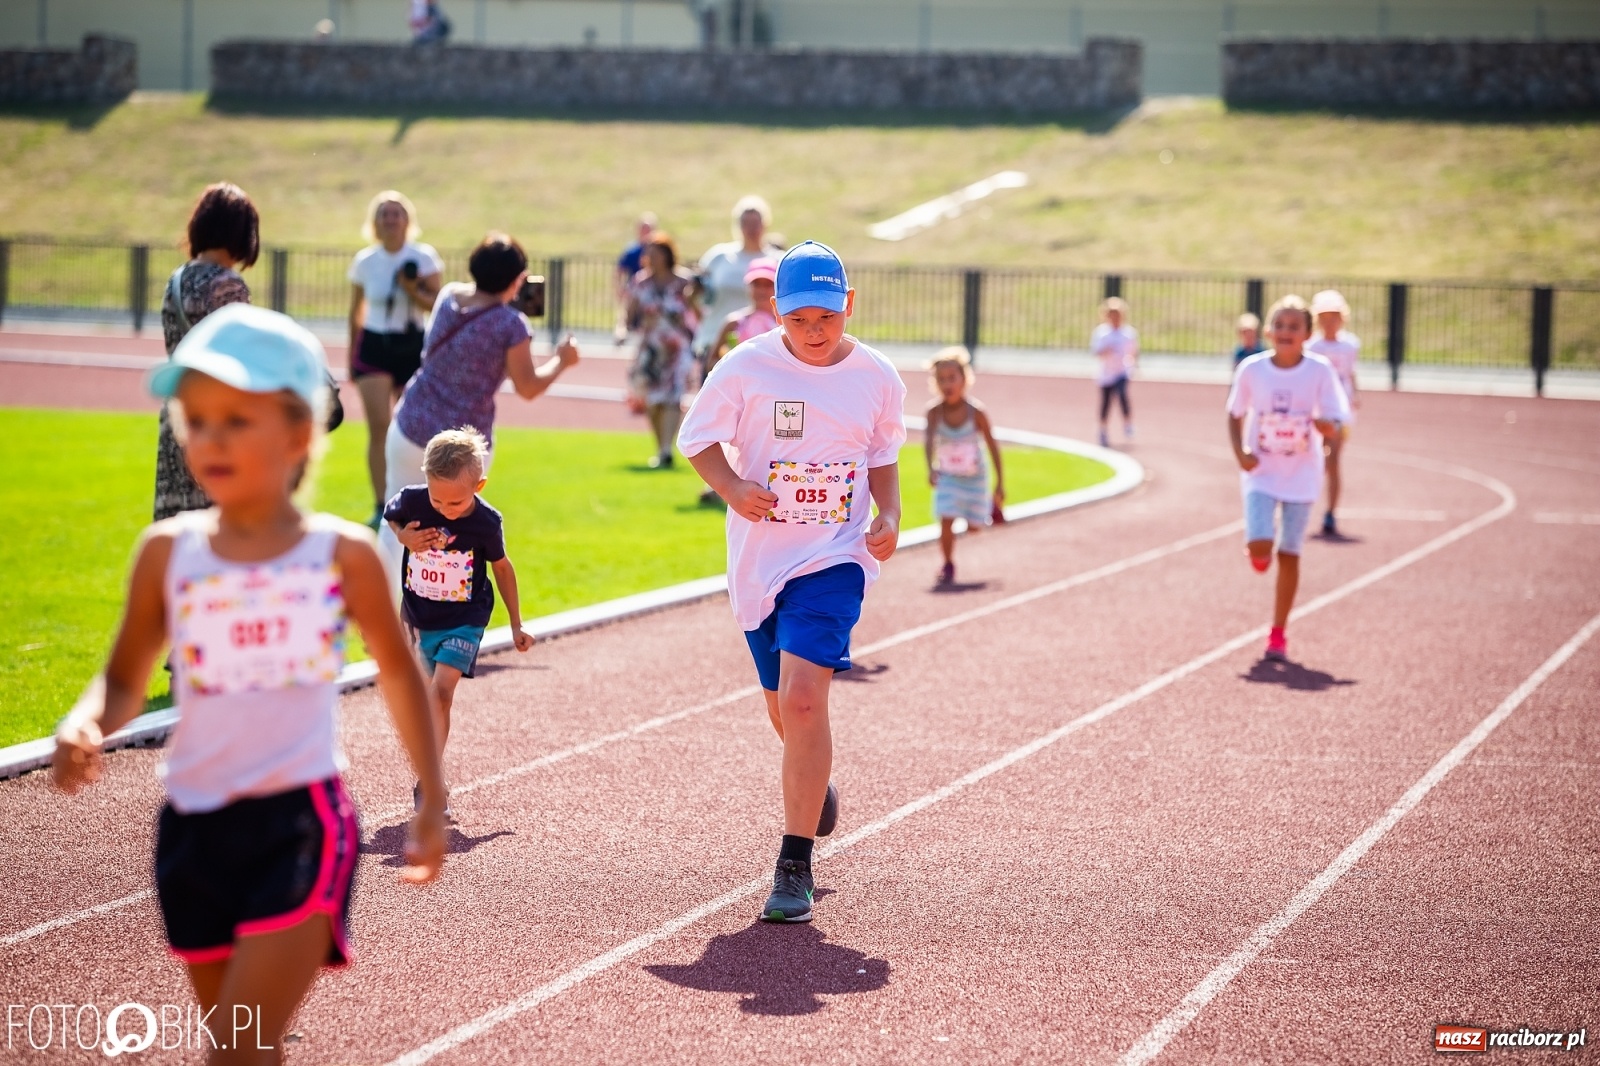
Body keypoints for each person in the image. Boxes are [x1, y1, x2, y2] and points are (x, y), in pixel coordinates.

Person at [52, 304, 448, 1064]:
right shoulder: (167, 552)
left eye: (237, 418)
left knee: (235, 1045)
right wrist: (85, 720)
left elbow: (399, 674)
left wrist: (431, 796)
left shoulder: (340, 554)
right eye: (195, 420)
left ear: (299, 433)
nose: (210, 439)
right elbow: (125, 677)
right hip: (192, 830)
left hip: (299, 824)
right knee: (242, 1049)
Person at [678, 240, 906, 924]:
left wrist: (889, 513)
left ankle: (793, 862)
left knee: (806, 701)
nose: (815, 329)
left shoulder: (877, 377)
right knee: (783, 709)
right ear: (775, 310)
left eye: (827, 317)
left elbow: (883, 456)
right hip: (760, 564)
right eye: (801, 316)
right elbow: (697, 439)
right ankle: (815, 781)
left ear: (850, 308)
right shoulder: (745, 367)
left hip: (833, 558)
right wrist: (732, 486)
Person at [379, 232, 580, 574]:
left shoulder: (449, 295)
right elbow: (528, 387)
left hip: (409, 424)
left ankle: (382, 615)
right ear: (517, 279)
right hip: (462, 445)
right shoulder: (510, 324)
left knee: (394, 520)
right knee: (452, 530)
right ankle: (436, 616)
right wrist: (562, 361)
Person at [385, 427, 535, 815]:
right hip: (419, 616)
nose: (445, 509)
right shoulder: (414, 502)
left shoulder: (486, 522)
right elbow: (391, 516)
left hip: (465, 619)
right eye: (438, 499)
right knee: (424, 703)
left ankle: (430, 783)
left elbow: (502, 568)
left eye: (455, 502)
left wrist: (516, 624)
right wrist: (404, 537)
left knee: (442, 693)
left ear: (479, 485)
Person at [1227, 295, 1351, 663]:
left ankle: (1278, 632)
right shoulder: (1252, 369)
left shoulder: (1319, 370)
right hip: (1261, 472)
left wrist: (1328, 428)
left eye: (1294, 327)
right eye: (1279, 326)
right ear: (1268, 332)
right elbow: (1233, 414)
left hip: (1302, 474)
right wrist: (1239, 452)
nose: (1285, 332)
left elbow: (1335, 419)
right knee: (1263, 546)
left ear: (1307, 334)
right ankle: (1258, 552)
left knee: (1290, 553)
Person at [155, 182, 258, 522]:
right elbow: (240, 361)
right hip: (219, 422)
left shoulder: (176, 279)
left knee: (178, 534)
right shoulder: (227, 284)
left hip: (179, 417)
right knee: (218, 532)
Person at [347, 191, 443, 528]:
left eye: (397, 213)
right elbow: (356, 310)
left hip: (412, 343)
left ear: (408, 220)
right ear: (375, 222)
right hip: (374, 344)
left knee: (413, 429)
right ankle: (379, 504)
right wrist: (351, 352)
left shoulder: (424, 256)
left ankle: (419, 501)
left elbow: (436, 305)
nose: (391, 220)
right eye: (384, 214)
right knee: (379, 428)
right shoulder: (365, 261)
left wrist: (412, 288)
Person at [924, 346, 1003, 586]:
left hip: (975, 477)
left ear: (964, 379)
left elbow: (992, 446)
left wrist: (999, 484)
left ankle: (986, 508)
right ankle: (948, 564)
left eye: (952, 378)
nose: (947, 384)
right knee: (946, 518)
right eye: (941, 379)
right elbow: (928, 442)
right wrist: (930, 467)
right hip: (948, 476)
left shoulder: (976, 412)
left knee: (975, 528)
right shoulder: (934, 412)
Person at [626, 230, 700, 469]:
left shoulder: (683, 282)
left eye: (658, 253)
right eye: (650, 254)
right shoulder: (641, 282)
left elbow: (696, 311)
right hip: (651, 347)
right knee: (651, 399)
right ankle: (661, 448)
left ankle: (667, 450)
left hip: (677, 346)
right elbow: (631, 312)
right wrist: (626, 327)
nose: (653, 258)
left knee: (672, 396)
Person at [692, 195, 781, 369]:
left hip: (764, 345)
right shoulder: (718, 257)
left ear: (765, 225)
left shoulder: (777, 260)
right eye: (746, 223)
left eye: (756, 223)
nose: (751, 229)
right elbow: (696, 296)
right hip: (717, 338)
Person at [1306, 290, 1361, 537]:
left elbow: (1350, 373)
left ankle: (1330, 512)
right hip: (1318, 409)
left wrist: (1356, 394)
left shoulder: (1350, 345)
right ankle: (1301, 499)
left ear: (1342, 318)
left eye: (1334, 317)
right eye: (1324, 317)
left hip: (1342, 410)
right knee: (1319, 460)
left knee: (1334, 459)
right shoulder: (1312, 346)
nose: (1330, 323)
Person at [704, 257, 779, 375]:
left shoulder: (784, 323)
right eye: (757, 284)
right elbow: (711, 364)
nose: (762, 290)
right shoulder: (734, 322)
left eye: (768, 285)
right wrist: (730, 359)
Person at [1091, 296, 1138, 446]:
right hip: (1106, 373)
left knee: (1123, 396)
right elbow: (1096, 352)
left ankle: (1128, 424)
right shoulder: (1102, 333)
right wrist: (1106, 350)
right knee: (1106, 403)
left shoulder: (1128, 333)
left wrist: (1134, 364)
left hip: (1122, 371)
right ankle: (1103, 430)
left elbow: (1134, 351)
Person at [615, 212, 658, 343]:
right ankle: (621, 332)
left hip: (652, 291)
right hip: (635, 289)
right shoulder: (632, 251)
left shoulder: (657, 250)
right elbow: (620, 271)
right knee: (626, 312)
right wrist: (619, 288)